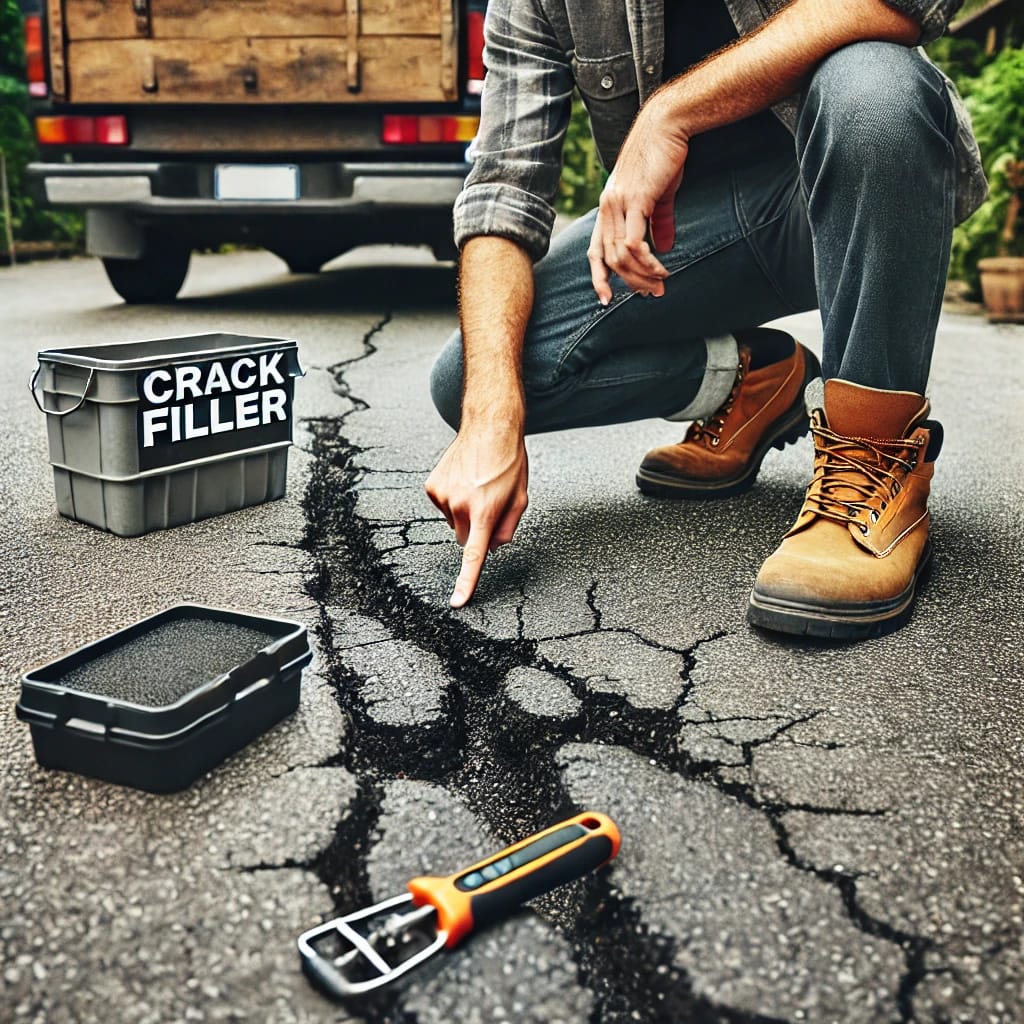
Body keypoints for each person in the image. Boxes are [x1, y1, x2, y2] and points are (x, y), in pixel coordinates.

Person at [424, 0, 986, 640]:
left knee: (874, 83)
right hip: (689, 241)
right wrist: (491, 421)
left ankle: (874, 459)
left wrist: (671, 110)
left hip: (844, 188)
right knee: (472, 378)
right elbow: (505, 187)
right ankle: (751, 380)